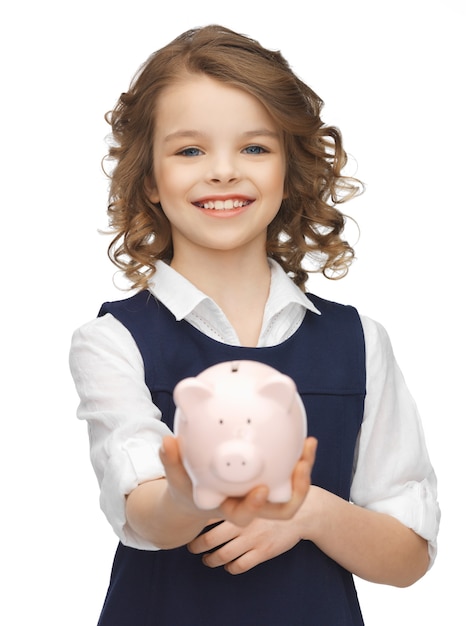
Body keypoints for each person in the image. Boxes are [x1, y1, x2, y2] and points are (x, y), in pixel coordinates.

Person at [69, 25, 440, 625]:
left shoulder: (359, 343)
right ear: (149, 181)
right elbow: (143, 513)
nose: (222, 172)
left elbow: (409, 556)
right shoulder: (113, 343)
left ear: (289, 170)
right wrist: (188, 493)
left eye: (255, 148)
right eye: (190, 151)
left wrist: (309, 512)